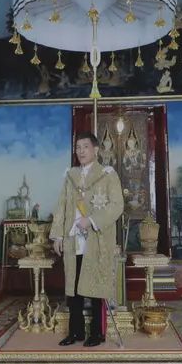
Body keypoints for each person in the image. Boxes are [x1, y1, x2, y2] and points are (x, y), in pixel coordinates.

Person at [50, 132, 124, 347]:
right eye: (78, 147)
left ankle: (97, 333)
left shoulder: (108, 174)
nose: (80, 151)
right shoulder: (70, 176)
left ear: (96, 149)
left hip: (97, 240)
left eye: (85, 147)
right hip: (73, 240)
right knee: (73, 288)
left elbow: (117, 206)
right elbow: (61, 206)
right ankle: (76, 332)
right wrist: (57, 235)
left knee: (96, 287)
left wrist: (91, 220)